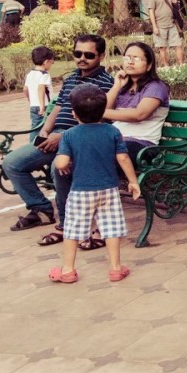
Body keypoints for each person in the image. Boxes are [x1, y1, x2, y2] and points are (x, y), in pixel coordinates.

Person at [2, 34, 114, 245]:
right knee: (12, 163)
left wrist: (62, 137)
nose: (82, 58)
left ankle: (65, 225)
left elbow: (100, 119)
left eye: (89, 55)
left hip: (81, 140)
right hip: (55, 135)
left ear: (101, 56)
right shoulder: (71, 78)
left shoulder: (105, 82)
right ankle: (41, 209)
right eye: (77, 53)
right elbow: (60, 107)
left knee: (58, 167)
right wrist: (44, 132)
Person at [48, 85, 140, 284]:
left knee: (72, 230)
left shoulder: (70, 135)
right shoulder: (112, 131)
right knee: (111, 228)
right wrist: (133, 182)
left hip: (81, 191)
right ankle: (115, 269)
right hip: (108, 189)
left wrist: (64, 163)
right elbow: (123, 158)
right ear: (103, 111)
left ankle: (68, 270)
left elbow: (61, 163)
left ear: (74, 113)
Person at [104, 42, 171, 164]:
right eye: (127, 57)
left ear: (149, 65)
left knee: (102, 155)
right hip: (116, 140)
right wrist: (116, 86)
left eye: (136, 58)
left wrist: (99, 112)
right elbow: (104, 109)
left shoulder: (156, 87)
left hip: (142, 144)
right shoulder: (123, 88)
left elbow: (139, 115)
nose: (130, 62)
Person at [141, 0, 184, 67]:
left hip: (172, 23)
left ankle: (181, 65)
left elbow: (175, 7)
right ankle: (166, 66)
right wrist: (154, 27)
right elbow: (151, 11)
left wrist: (175, 3)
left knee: (178, 45)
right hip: (160, 25)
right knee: (162, 47)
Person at [24, 46, 55, 142]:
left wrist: (30, 100)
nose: (52, 64)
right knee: (47, 126)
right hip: (45, 106)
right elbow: (41, 88)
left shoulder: (30, 74)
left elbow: (25, 89)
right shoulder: (44, 75)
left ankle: (33, 143)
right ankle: (34, 145)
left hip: (33, 106)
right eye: (52, 62)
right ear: (46, 62)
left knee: (35, 126)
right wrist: (42, 107)